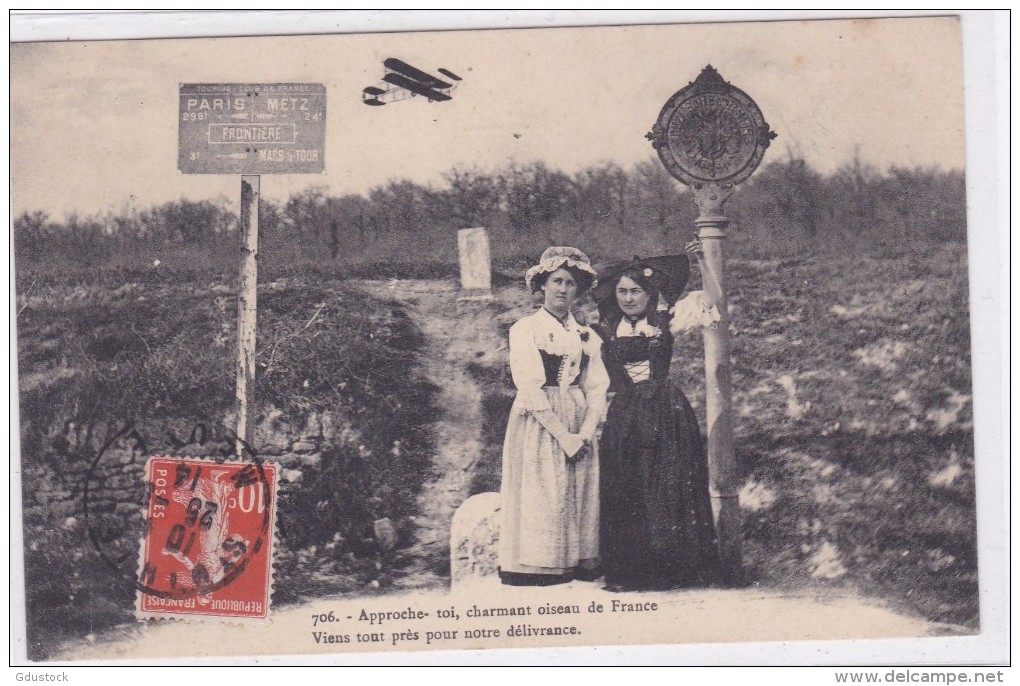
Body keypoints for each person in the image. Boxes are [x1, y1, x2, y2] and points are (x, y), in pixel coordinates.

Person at [591, 240, 723, 592]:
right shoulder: (605, 326)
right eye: (622, 291)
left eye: (635, 291)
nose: (628, 298)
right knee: (628, 486)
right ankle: (632, 569)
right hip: (624, 414)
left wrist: (702, 260)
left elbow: (712, 300)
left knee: (667, 483)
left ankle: (673, 566)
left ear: (649, 293)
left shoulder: (666, 320)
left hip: (666, 410)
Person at [498, 246, 610, 586]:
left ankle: (578, 561)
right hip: (540, 416)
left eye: (571, 283)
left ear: (579, 290)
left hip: (578, 413)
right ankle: (541, 564)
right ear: (542, 286)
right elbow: (529, 386)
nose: (563, 289)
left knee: (580, 486)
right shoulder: (525, 329)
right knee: (542, 487)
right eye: (557, 281)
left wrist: (585, 433)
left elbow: (596, 386)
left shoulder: (587, 334)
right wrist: (563, 436)